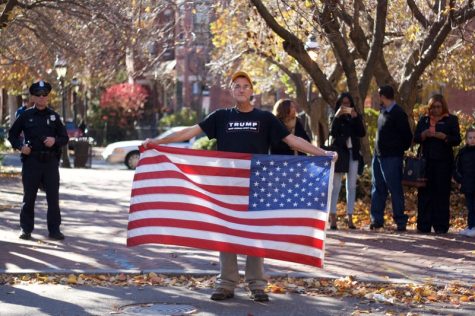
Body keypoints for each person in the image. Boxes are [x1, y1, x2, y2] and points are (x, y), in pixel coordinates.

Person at [143, 71, 337, 302]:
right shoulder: (220, 117)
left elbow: (292, 140)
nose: (242, 89)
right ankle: (226, 283)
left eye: (246, 86)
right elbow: (189, 132)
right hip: (226, 184)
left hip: (258, 184)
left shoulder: (265, 118)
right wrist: (158, 142)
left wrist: (323, 153)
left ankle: (256, 284)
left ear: (252, 91)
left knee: (255, 233)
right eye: (237, 86)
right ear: (232, 91)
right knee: (227, 232)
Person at [8, 80, 69, 241]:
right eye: (38, 95)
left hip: (50, 163)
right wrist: (21, 146)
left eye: (44, 95)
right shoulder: (25, 116)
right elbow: (12, 135)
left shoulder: (54, 117)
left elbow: (65, 138)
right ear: (33, 97)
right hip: (32, 162)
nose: (42, 98)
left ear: (47, 97)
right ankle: (25, 229)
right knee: (29, 197)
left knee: (53, 198)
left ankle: (54, 230)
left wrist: (54, 141)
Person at [413, 94, 461, 234]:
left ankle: (441, 226)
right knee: (424, 194)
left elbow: (457, 139)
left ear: (443, 106)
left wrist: (445, 137)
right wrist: (424, 135)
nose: (435, 109)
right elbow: (415, 138)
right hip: (426, 163)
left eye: (438, 106)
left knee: (441, 194)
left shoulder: (451, 120)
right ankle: (424, 225)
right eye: (432, 107)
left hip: (443, 163)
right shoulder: (424, 120)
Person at [370, 85, 412, 231]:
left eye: (379, 96)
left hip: (392, 158)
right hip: (378, 156)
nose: (378, 98)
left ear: (383, 96)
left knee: (395, 189)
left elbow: (407, 137)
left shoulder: (398, 113)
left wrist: (397, 150)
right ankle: (376, 220)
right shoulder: (383, 112)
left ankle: (400, 221)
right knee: (377, 187)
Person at [328, 93, 366, 230]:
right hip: (340, 154)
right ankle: (333, 217)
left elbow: (362, 133)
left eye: (348, 103)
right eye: (343, 103)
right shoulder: (335, 116)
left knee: (351, 186)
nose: (346, 106)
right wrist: (337, 116)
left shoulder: (355, 116)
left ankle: (350, 217)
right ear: (339, 104)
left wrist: (356, 118)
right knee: (336, 186)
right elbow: (332, 132)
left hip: (353, 154)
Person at [454, 127, 475, 237]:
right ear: (466, 139)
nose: (472, 140)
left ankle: (473, 227)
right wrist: (460, 180)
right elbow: (456, 168)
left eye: (474, 137)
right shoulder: (462, 153)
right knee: (470, 206)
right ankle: (471, 226)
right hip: (467, 184)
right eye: (470, 137)